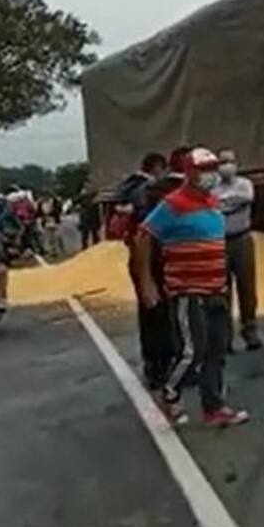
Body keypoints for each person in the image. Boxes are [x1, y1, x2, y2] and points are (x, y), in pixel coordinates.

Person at [133, 147, 249, 428]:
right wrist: (147, 283)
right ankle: (170, 393)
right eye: (204, 169)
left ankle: (214, 406)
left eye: (213, 167)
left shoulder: (212, 202)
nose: (211, 174)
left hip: (216, 287)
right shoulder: (172, 204)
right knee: (192, 351)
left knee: (217, 350)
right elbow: (144, 238)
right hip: (188, 289)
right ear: (190, 172)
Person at [117, 151, 175, 389]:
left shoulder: (130, 188)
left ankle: (156, 364)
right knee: (158, 313)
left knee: (153, 313)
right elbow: (145, 235)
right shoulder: (148, 191)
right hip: (152, 259)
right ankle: (159, 365)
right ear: (157, 168)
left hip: (146, 258)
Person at [214, 149, 262, 351]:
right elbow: (212, 206)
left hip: (242, 238)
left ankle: (249, 329)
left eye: (230, 161)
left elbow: (246, 198)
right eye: (223, 161)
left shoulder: (245, 184)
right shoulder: (212, 188)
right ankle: (225, 336)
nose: (227, 165)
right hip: (220, 242)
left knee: (247, 286)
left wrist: (223, 204)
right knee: (222, 291)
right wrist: (230, 203)